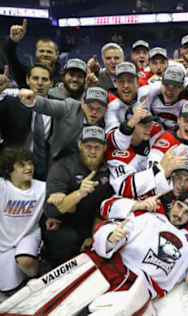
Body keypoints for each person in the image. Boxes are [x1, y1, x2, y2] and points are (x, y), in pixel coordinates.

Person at [42, 126, 114, 267]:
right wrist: (79, 193)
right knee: (67, 239)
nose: (92, 151)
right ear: (80, 145)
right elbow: (51, 211)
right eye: (88, 146)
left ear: (105, 148)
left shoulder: (109, 169)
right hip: (63, 224)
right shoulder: (63, 166)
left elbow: (104, 207)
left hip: (91, 223)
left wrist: (94, 235)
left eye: (97, 147)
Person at [18, 86, 109, 164]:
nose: (94, 112)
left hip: (90, 164)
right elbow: (47, 105)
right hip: (59, 161)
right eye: (90, 107)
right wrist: (33, 100)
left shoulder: (109, 121)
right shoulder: (70, 107)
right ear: (83, 103)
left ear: (106, 109)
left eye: (99, 109)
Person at [0, 147, 44, 294]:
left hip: (28, 235)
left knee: (26, 261)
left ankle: (39, 274)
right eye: (22, 164)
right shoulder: (2, 187)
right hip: (4, 244)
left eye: (30, 163)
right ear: (9, 169)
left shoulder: (42, 188)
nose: (29, 167)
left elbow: (62, 205)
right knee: (8, 289)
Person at [148, 101, 188, 195]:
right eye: (186, 120)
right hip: (178, 194)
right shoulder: (164, 144)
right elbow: (151, 177)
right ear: (178, 120)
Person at [7, 19, 62, 87]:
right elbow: (11, 58)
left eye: (49, 52)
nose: (45, 54)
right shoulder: (25, 74)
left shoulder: (64, 78)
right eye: (41, 51)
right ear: (36, 53)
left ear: (57, 54)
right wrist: (12, 42)